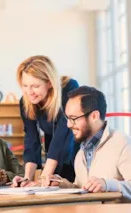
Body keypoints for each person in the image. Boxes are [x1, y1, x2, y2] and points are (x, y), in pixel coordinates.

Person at [43, 86, 131, 203]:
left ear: (94, 116)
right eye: (67, 118)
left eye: (73, 118)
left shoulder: (125, 144)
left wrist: (107, 185)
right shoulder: (81, 153)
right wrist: (63, 185)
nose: (68, 124)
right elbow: (85, 192)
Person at [13, 55, 80, 187]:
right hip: (53, 150)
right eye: (25, 85)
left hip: (76, 147)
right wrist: (26, 178)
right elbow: (31, 139)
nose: (29, 92)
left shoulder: (69, 89)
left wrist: (44, 177)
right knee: (52, 186)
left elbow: (63, 133)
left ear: (50, 82)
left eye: (35, 86)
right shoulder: (26, 101)